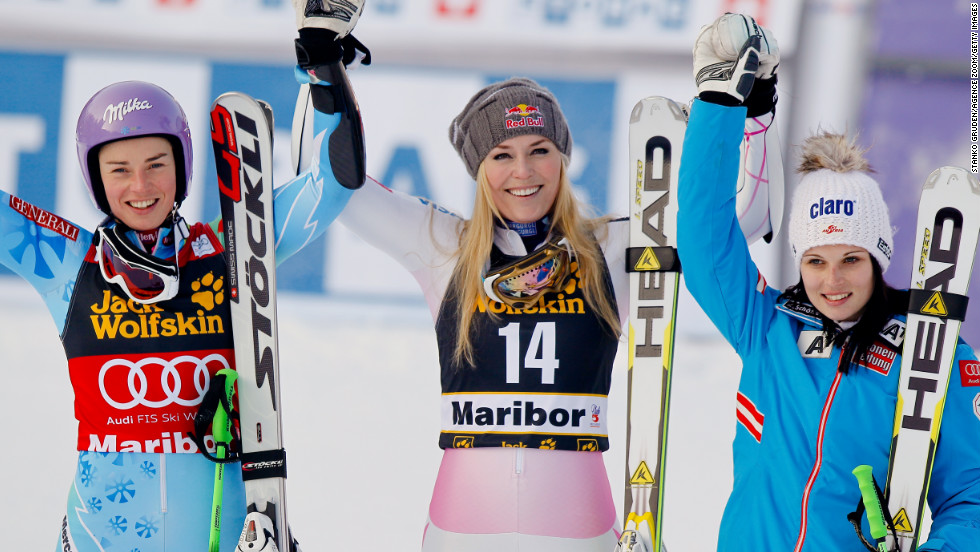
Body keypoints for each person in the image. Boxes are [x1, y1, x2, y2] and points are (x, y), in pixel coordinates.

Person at [295, 60, 778, 545]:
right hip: (463, 532)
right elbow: (343, 192)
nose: (523, 172)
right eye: (501, 155)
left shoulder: (612, 249)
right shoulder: (445, 247)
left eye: (539, 150)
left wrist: (754, 109)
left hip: (579, 532)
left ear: (563, 158)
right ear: (479, 169)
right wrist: (322, 69)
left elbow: (735, 223)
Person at [0, 3, 365, 550]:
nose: (140, 185)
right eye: (118, 169)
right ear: (96, 180)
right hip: (101, 537)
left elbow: (333, 184)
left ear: (183, 166)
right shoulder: (68, 263)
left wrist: (322, 71)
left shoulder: (233, 245)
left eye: (156, 164)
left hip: (230, 529)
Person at [677, 13, 980, 551]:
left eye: (851, 259)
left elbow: (971, 493)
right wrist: (722, 106)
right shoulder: (767, 330)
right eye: (814, 261)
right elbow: (705, 241)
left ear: (878, 259)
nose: (832, 280)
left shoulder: (932, 353)